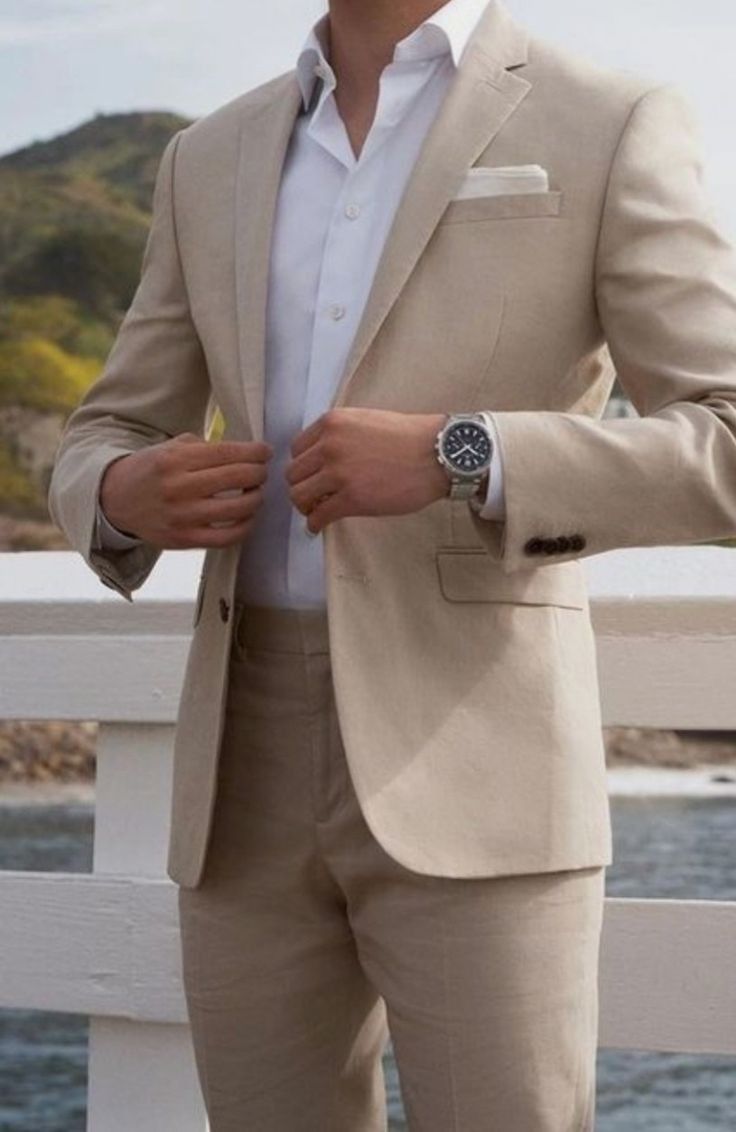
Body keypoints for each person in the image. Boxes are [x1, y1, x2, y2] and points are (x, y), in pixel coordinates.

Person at [47, 0, 736, 1127]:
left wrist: (462, 451)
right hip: (239, 773)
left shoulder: (611, 120)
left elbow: (723, 433)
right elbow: (103, 433)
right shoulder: (204, 155)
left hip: (483, 749)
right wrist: (123, 492)